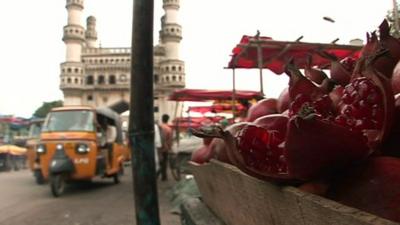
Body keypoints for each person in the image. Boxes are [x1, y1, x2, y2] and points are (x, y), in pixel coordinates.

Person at [157, 114, 173, 181]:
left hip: (158, 147)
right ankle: (164, 176)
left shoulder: (158, 127)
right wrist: (169, 147)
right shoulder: (169, 129)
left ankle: (157, 174)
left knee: (158, 161)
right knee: (164, 162)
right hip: (165, 147)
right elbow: (169, 140)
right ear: (168, 119)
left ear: (162, 119)